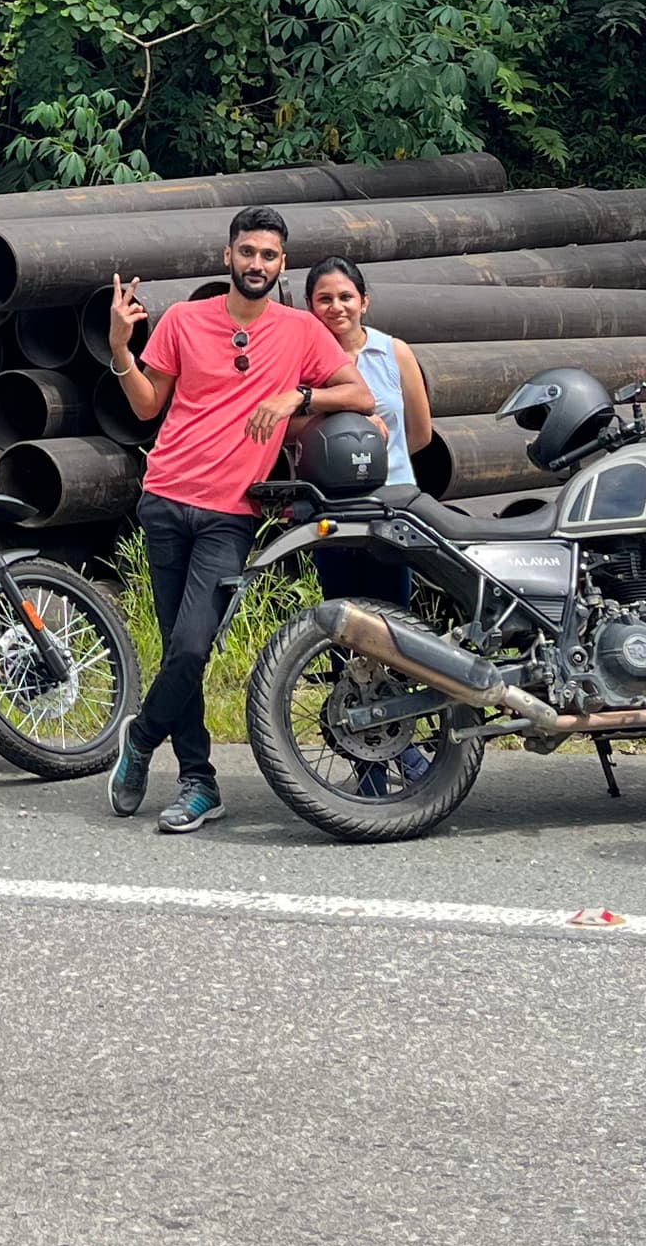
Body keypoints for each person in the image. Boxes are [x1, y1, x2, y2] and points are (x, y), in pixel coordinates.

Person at [99, 206, 361, 834]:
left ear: (281, 265)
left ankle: (141, 737)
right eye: (247, 252)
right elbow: (145, 406)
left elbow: (358, 393)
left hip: (230, 513)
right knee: (175, 650)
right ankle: (198, 783)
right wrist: (118, 348)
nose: (257, 264)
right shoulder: (185, 320)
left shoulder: (300, 331)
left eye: (269, 256)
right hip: (164, 497)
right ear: (228, 256)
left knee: (193, 645)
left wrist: (296, 394)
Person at [301, 261, 419, 608]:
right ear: (310, 306)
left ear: (363, 301)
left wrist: (380, 463)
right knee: (341, 612)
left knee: (395, 614)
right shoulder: (303, 361)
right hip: (332, 507)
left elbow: (420, 432)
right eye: (325, 299)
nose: (336, 307)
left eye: (346, 297)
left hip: (392, 506)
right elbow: (285, 428)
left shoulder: (394, 352)